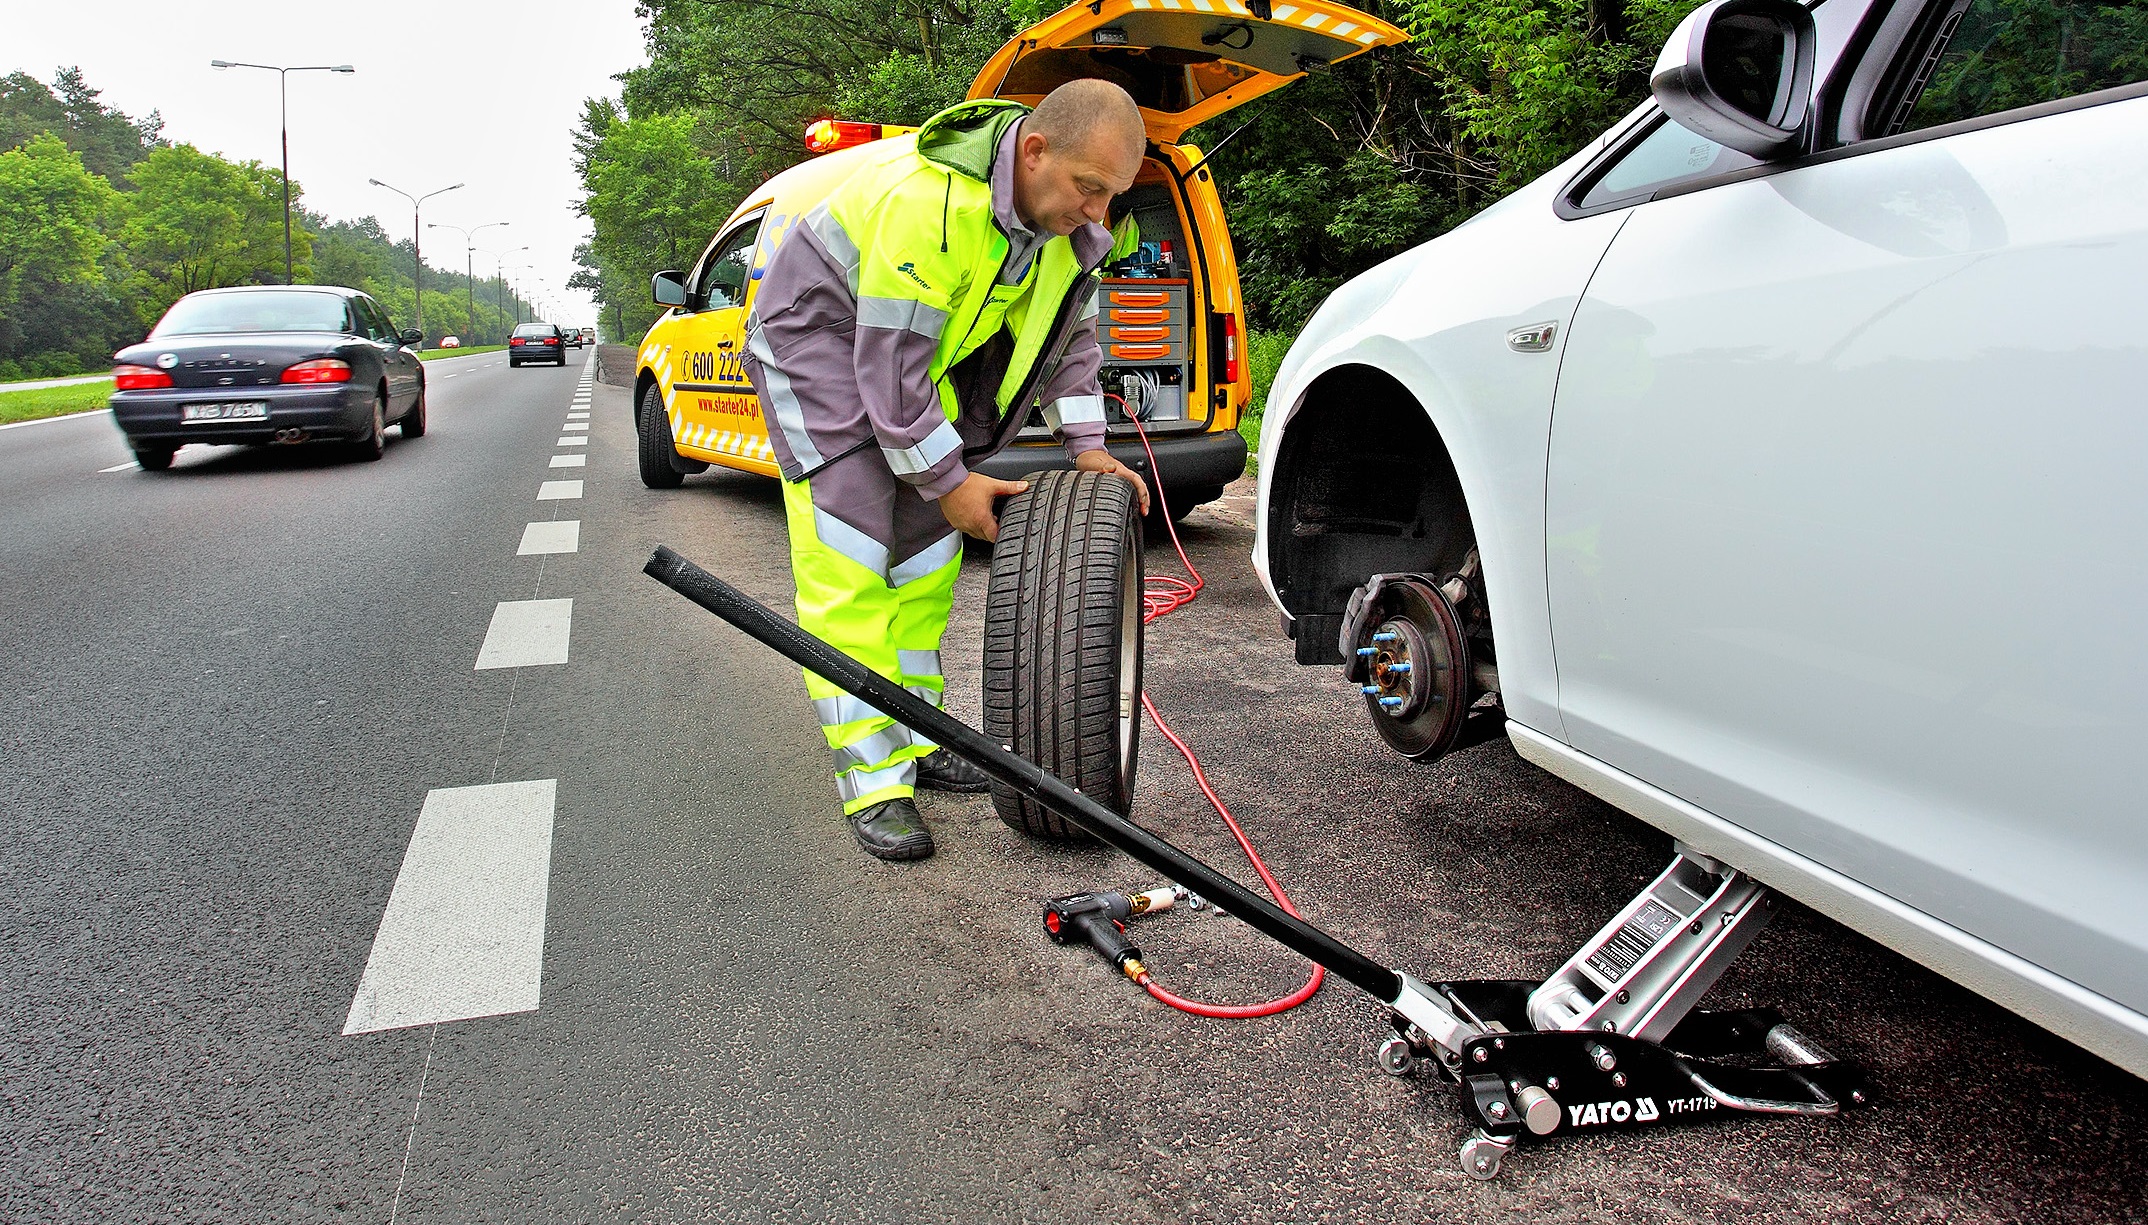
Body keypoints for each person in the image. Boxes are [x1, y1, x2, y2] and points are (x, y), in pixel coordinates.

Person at [743, 79, 1153, 862]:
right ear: (1035, 152)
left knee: (926, 559)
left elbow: (1069, 339)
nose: (1099, 210)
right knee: (854, 559)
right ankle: (874, 782)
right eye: (1089, 187)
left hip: (906, 359)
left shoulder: (1061, 226)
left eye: (1112, 194)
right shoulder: (927, 202)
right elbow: (888, 366)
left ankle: (917, 733)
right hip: (816, 347)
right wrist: (949, 481)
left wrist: (1089, 447)